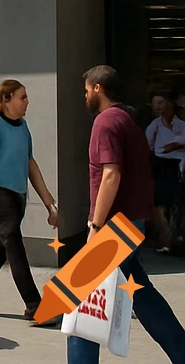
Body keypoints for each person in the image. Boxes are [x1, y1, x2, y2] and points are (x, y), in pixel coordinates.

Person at [67, 66, 185, 364]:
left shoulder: (105, 122)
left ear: (97, 88)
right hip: (131, 223)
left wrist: (95, 225)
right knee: (143, 296)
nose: (84, 97)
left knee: (81, 298)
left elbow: (111, 175)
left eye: (85, 90)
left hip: (113, 227)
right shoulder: (128, 121)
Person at [0, 79, 59, 321]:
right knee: (14, 246)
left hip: (18, 197)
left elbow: (30, 165)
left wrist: (49, 204)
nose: (27, 102)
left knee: (1, 248)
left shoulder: (23, 127)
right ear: (6, 100)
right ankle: (35, 305)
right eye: (22, 97)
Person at [146, 93, 185, 237]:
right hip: (162, 165)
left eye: (164, 104)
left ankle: (177, 236)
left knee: (179, 201)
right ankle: (166, 236)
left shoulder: (181, 125)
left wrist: (175, 145)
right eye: (159, 104)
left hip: (180, 165)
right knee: (162, 201)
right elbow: (149, 145)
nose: (162, 108)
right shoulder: (155, 125)